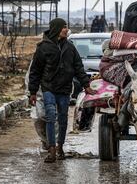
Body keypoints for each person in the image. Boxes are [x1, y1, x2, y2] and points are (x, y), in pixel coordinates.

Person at [28, 18, 95, 163]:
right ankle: (51, 150)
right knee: (51, 117)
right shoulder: (43, 48)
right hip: (49, 88)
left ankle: (60, 147)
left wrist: (86, 85)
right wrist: (32, 92)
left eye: (66, 27)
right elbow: (35, 71)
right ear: (57, 29)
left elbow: (78, 67)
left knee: (63, 119)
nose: (66, 29)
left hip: (64, 89)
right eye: (64, 27)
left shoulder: (70, 47)